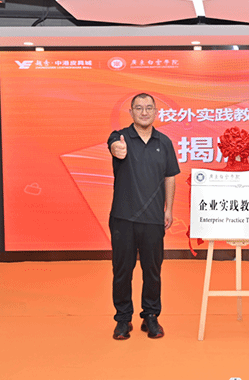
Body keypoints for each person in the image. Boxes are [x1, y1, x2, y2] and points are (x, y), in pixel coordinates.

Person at [107, 93, 180, 340]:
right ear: (131, 112)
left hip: (153, 219)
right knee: (122, 271)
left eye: (149, 108)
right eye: (139, 108)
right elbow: (114, 146)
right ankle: (123, 319)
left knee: (152, 271)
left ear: (156, 112)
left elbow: (170, 177)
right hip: (123, 218)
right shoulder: (120, 137)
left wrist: (168, 209)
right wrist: (116, 148)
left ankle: (150, 316)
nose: (144, 112)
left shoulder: (164, 142)